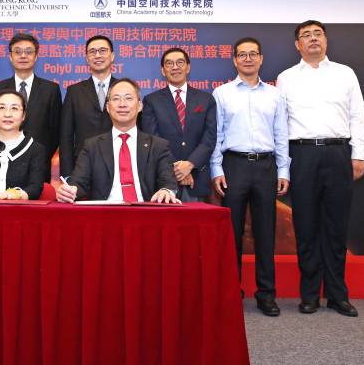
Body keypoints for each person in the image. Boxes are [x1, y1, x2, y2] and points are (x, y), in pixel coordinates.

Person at [277, 20, 364, 317]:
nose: (313, 39)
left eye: (318, 34)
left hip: (338, 154)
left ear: (326, 41)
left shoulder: (345, 74)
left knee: (335, 227)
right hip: (301, 156)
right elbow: (280, 125)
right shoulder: (286, 78)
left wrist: (358, 154)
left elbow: (358, 117)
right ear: (297, 45)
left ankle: (337, 295)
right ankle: (309, 295)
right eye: (306, 35)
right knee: (305, 227)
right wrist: (283, 168)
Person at [210, 37, 290, 316]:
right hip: (234, 165)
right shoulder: (222, 94)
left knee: (265, 233)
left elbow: (281, 135)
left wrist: (283, 170)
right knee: (231, 235)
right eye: (242, 55)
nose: (247, 59)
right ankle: (233, 291)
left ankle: (266, 295)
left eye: (252, 54)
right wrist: (216, 170)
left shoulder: (274, 95)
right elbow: (216, 136)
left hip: (266, 167)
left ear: (261, 58)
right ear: (234, 60)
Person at [56, 78, 179, 204]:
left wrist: (166, 190)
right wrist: (70, 190)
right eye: (116, 99)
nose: (122, 104)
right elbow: (78, 183)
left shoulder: (158, 146)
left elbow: (168, 182)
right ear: (108, 108)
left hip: (145, 213)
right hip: (105, 215)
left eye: (128, 98)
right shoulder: (92, 146)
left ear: (140, 106)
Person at [142, 47, 217, 202]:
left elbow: (209, 138)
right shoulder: (151, 101)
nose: (175, 67)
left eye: (180, 62)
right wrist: (178, 168)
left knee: (197, 225)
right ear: (163, 70)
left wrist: (190, 164)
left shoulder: (206, 99)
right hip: (164, 179)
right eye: (169, 64)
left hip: (196, 177)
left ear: (188, 67)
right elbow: (152, 138)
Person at [0, 33, 61, 180]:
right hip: (2, 161)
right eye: (18, 52)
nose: (23, 56)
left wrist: (41, 156)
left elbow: (56, 130)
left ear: (36, 56)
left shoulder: (51, 89)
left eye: (28, 51)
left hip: (38, 165)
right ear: (10, 57)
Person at [59, 35, 117, 178]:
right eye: (92, 51)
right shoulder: (74, 91)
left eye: (102, 50)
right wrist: (67, 174)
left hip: (119, 163)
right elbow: (66, 135)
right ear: (86, 58)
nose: (97, 55)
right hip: (83, 166)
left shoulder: (125, 89)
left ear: (112, 56)